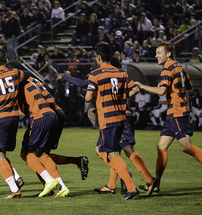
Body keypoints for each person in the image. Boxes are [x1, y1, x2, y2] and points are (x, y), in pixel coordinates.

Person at [135, 41, 202, 194]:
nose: (156, 55)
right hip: (175, 112)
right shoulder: (179, 67)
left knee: (186, 146)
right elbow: (189, 86)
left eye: (159, 52)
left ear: (168, 54)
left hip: (177, 112)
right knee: (161, 146)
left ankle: (156, 181)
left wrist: (143, 86)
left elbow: (162, 91)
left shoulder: (168, 69)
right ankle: (156, 182)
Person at [85, 43, 141, 200]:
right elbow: (135, 89)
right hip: (121, 118)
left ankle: (130, 184)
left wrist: (91, 94)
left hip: (107, 119)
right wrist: (121, 98)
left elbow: (88, 97)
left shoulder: (95, 74)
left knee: (111, 154)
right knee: (111, 152)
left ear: (99, 57)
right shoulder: (121, 73)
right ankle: (124, 181)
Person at [0, 48, 30, 199]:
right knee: (0, 153)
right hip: (14, 118)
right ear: (6, 61)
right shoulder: (15, 73)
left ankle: (14, 189)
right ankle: (15, 177)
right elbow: (27, 75)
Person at [18, 76, 69, 197]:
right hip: (55, 114)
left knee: (26, 152)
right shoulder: (33, 80)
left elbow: (23, 113)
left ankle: (49, 181)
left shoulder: (18, 86)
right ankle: (62, 187)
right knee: (42, 154)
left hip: (41, 117)